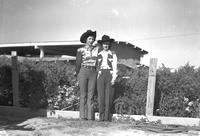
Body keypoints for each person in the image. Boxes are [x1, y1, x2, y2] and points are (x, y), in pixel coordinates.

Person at [75, 30, 99, 120]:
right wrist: (78, 74)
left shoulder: (97, 49)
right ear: (86, 40)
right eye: (89, 39)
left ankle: (90, 116)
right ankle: (82, 116)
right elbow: (77, 64)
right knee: (83, 94)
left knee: (91, 95)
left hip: (93, 72)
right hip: (83, 71)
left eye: (92, 39)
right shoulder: (80, 50)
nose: (91, 40)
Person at [97, 35, 118, 121]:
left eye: (107, 44)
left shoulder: (113, 54)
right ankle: (101, 117)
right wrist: (98, 75)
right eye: (104, 44)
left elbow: (115, 67)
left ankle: (107, 117)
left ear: (109, 44)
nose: (105, 45)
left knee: (109, 96)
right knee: (101, 96)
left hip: (109, 74)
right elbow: (97, 66)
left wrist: (114, 78)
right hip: (101, 74)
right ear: (102, 45)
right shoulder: (99, 54)